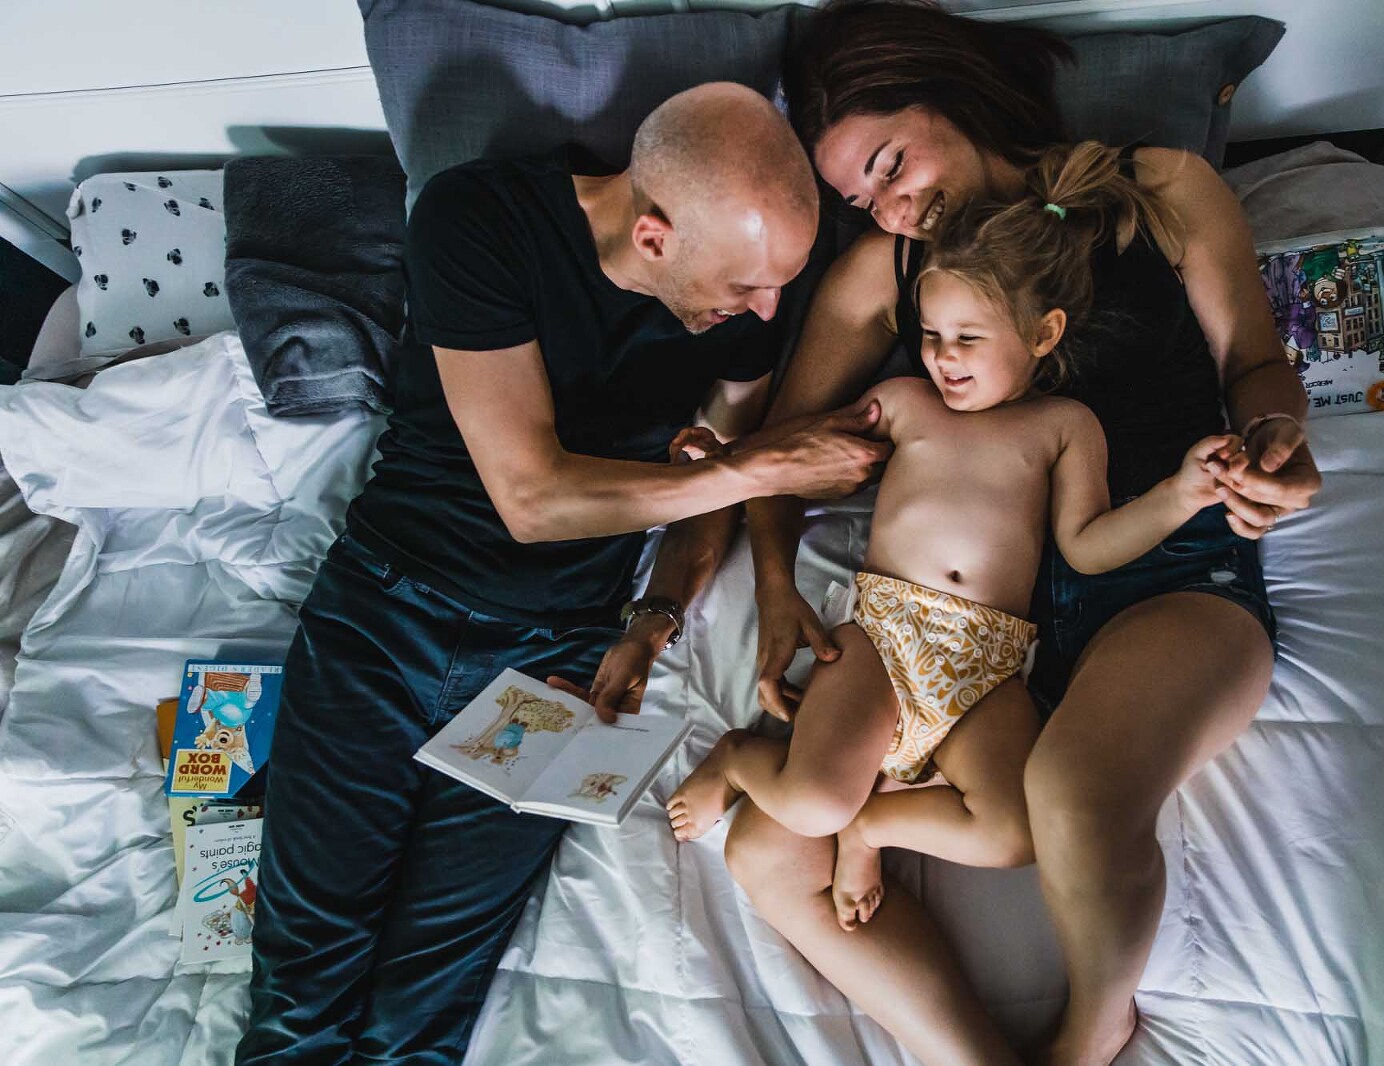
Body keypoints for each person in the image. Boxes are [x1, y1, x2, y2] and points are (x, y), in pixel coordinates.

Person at [236, 82, 888, 1065]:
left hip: (557, 656)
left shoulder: (742, 313)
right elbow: (530, 498)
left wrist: (655, 617)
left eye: (777, 289)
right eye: (748, 285)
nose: (764, 312)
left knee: (424, 1002)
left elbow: (706, 474)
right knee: (304, 985)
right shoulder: (480, 218)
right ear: (657, 234)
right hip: (388, 611)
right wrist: (768, 465)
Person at [727, 4, 1324, 1065]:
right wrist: (776, 585)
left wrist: (1275, 438)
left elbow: (1253, 367)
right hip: (967, 633)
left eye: (891, 161)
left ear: (948, 89)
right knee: (769, 848)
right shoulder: (885, 275)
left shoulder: (1160, 190)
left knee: (1073, 791)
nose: (894, 208)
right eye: (863, 197)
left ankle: (1091, 1033)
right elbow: (780, 451)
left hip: (1166, 576)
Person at [668, 157, 1241, 956]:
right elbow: (800, 449)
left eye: (969, 339)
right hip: (883, 640)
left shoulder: (1066, 427)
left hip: (988, 663)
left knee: (1015, 829)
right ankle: (737, 760)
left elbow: (1089, 546)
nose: (944, 357)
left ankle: (873, 828)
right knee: (810, 805)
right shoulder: (903, 404)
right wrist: (724, 456)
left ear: (1043, 334)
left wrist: (1179, 495)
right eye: (931, 336)